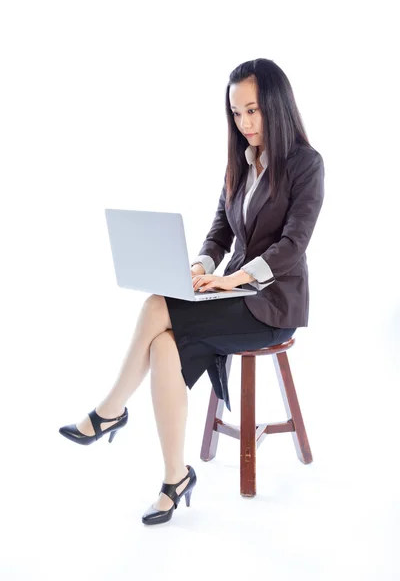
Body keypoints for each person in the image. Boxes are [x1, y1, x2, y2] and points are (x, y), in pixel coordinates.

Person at [59, 58, 325, 526]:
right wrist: (198, 268)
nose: (244, 124)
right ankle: (173, 477)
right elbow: (219, 234)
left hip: (273, 303)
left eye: (253, 111)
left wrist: (232, 279)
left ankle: (110, 411)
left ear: (277, 107)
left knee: (156, 305)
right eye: (237, 113)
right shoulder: (241, 163)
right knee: (162, 342)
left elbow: (292, 245)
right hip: (233, 296)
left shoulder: (306, 164)